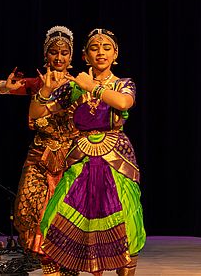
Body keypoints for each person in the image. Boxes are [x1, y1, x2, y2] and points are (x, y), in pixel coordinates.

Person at [31, 28, 145, 276]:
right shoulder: (73, 87)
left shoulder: (122, 83)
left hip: (116, 158)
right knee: (56, 218)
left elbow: (124, 103)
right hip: (80, 158)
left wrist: (92, 87)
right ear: (84, 56)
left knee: (125, 220)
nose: (100, 52)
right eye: (94, 48)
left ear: (115, 54)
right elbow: (37, 114)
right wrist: (45, 92)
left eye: (106, 48)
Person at [0, 26, 79, 274]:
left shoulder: (80, 85)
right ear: (45, 56)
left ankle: (63, 265)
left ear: (71, 57)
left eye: (64, 53)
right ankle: (44, 257)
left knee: (66, 215)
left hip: (70, 158)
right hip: (40, 154)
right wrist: (5, 87)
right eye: (53, 53)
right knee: (25, 210)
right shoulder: (37, 83)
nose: (58, 58)